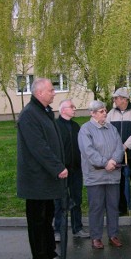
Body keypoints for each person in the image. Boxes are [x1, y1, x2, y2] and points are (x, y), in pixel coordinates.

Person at [16, 78, 68, 259]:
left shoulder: (44, 112)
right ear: (39, 93)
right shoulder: (29, 115)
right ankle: (39, 258)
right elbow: (38, 147)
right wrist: (57, 167)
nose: (54, 93)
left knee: (47, 217)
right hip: (35, 178)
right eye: (51, 90)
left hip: (46, 178)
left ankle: (50, 253)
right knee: (37, 220)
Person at [78, 100, 125, 249]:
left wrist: (114, 161)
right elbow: (88, 151)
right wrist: (105, 163)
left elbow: (119, 146)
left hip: (113, 175)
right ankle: (96, 237)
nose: (104, 113)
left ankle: (113, 235)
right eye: (101, 111)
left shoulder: (112, 128)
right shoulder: (85, 130)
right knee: (96, 207)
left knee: (113, 206)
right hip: (95, 175)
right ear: (92, 113)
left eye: (105, 110)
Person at [106, 88, 131, 215]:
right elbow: (107, 131)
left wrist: (126, 145)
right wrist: (117, 147)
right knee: (119, 181)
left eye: (116, 98)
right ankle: (121, 208)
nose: (114, 100)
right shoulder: (111, 114)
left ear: (124, 99)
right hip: (117, 153)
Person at [54, 99, 90, 241]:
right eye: (71, 107)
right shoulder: (55, 127)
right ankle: (58, 230)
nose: (74, 109)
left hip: (76, 169)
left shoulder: (76, 126)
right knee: (60, 201)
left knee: (77, 199)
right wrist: (58, 167)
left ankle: (78, 228)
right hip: (62, 171)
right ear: (63, 110)